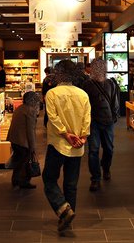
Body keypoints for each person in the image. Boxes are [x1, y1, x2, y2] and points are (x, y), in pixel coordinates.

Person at [43, 59, 91, 232]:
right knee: (71, 184)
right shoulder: (83, 94)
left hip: (58, 143)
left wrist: (65, 134)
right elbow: (87, 119)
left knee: (49, 179)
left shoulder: (52, 94)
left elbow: (53, 118)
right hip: (77, 145)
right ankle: (68, 219)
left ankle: (63, 209)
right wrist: (83, 137)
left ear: (58, 73)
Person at [80, 58, 120, 192]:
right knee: (93, 150)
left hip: (108, 121)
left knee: (109, 148)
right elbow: (84, 104)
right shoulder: (87, 85)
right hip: (93, 122)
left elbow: (115, 100)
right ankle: (95, 178)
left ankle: (106, 168)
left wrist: (114, 116)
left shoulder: (111, 83)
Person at [7, 91, 41, 189]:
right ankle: (22, 181)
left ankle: (16, 180)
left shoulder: (20, 108)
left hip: (14, 139)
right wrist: (33, 147)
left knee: (19, 161)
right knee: (24, 162)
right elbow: (30, 130)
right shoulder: (30, 111)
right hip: (22, 141)